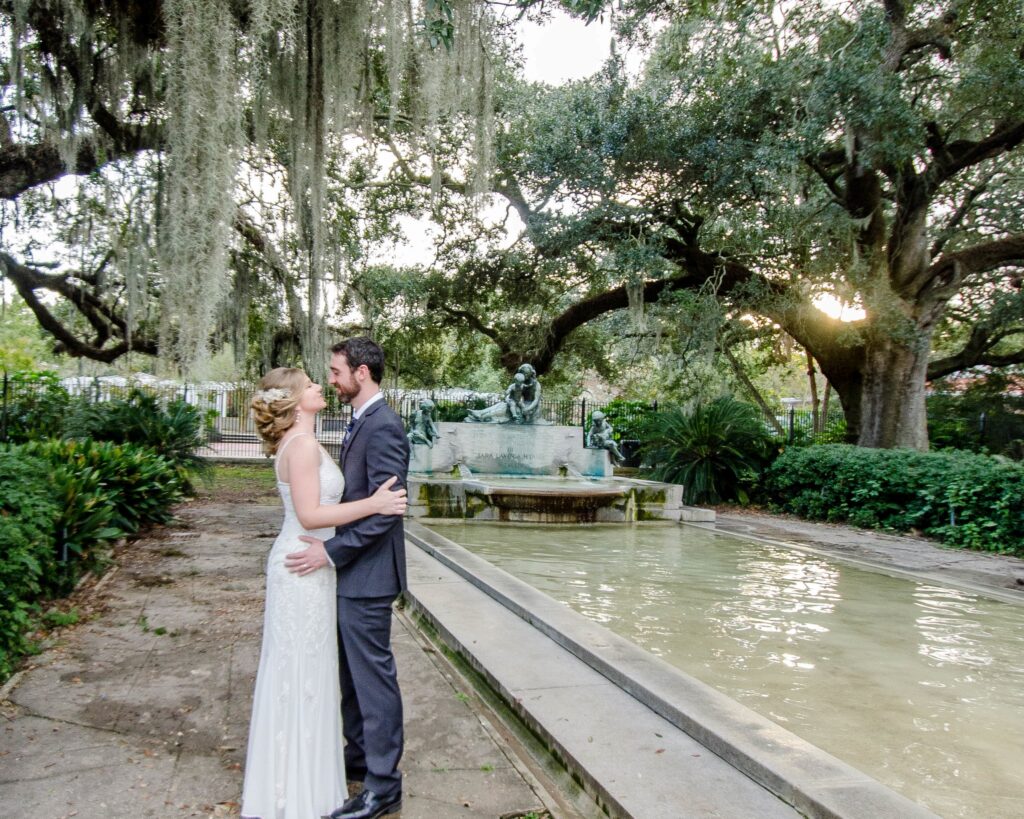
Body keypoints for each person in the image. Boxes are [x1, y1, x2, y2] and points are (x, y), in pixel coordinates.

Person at [241, 367, 407, 819]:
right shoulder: (302, 446)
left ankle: (313, 769)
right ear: (295, 401)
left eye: (325, 376)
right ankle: (293, 782)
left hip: (313, 565)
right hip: (304, 563)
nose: (321, 386)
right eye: (311, 383)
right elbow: (312, 514)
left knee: (312, 668)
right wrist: (375, 504)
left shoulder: (305, 442)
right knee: (299, 668)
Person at [284, 337, 409, 819]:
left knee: (374, 682)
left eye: (336, 371)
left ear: (362, 373)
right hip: (353, 573)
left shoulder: (384, 426)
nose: (331, 379)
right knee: (352, 679)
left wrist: (331, 553)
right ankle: (358, 758)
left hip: (370, 576)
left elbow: (385, 513)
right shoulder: (360, 420)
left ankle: (384, 786)